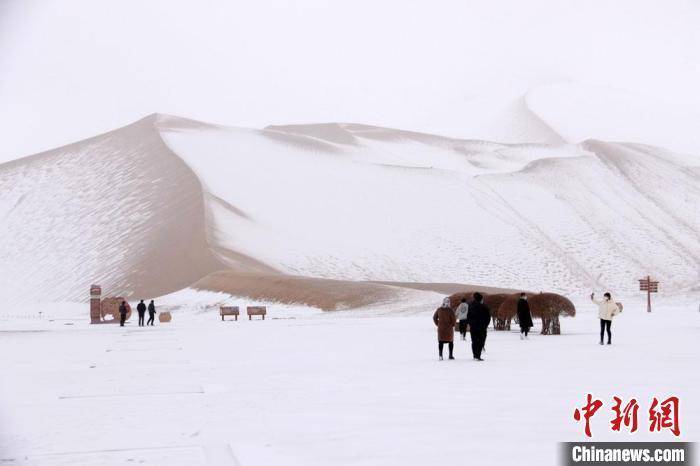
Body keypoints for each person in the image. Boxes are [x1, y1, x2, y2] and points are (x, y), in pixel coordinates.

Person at [466, 292, 490, 361]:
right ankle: (478, 355)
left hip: (473, 327)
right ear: (481, 299)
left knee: (474, 341)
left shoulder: (470, 306)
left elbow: (468, 316)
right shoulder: (484, 306)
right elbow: (488, 317)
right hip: (482, 327)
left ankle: (475, 355)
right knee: (480, 341)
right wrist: (485, 325)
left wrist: (470, 324)